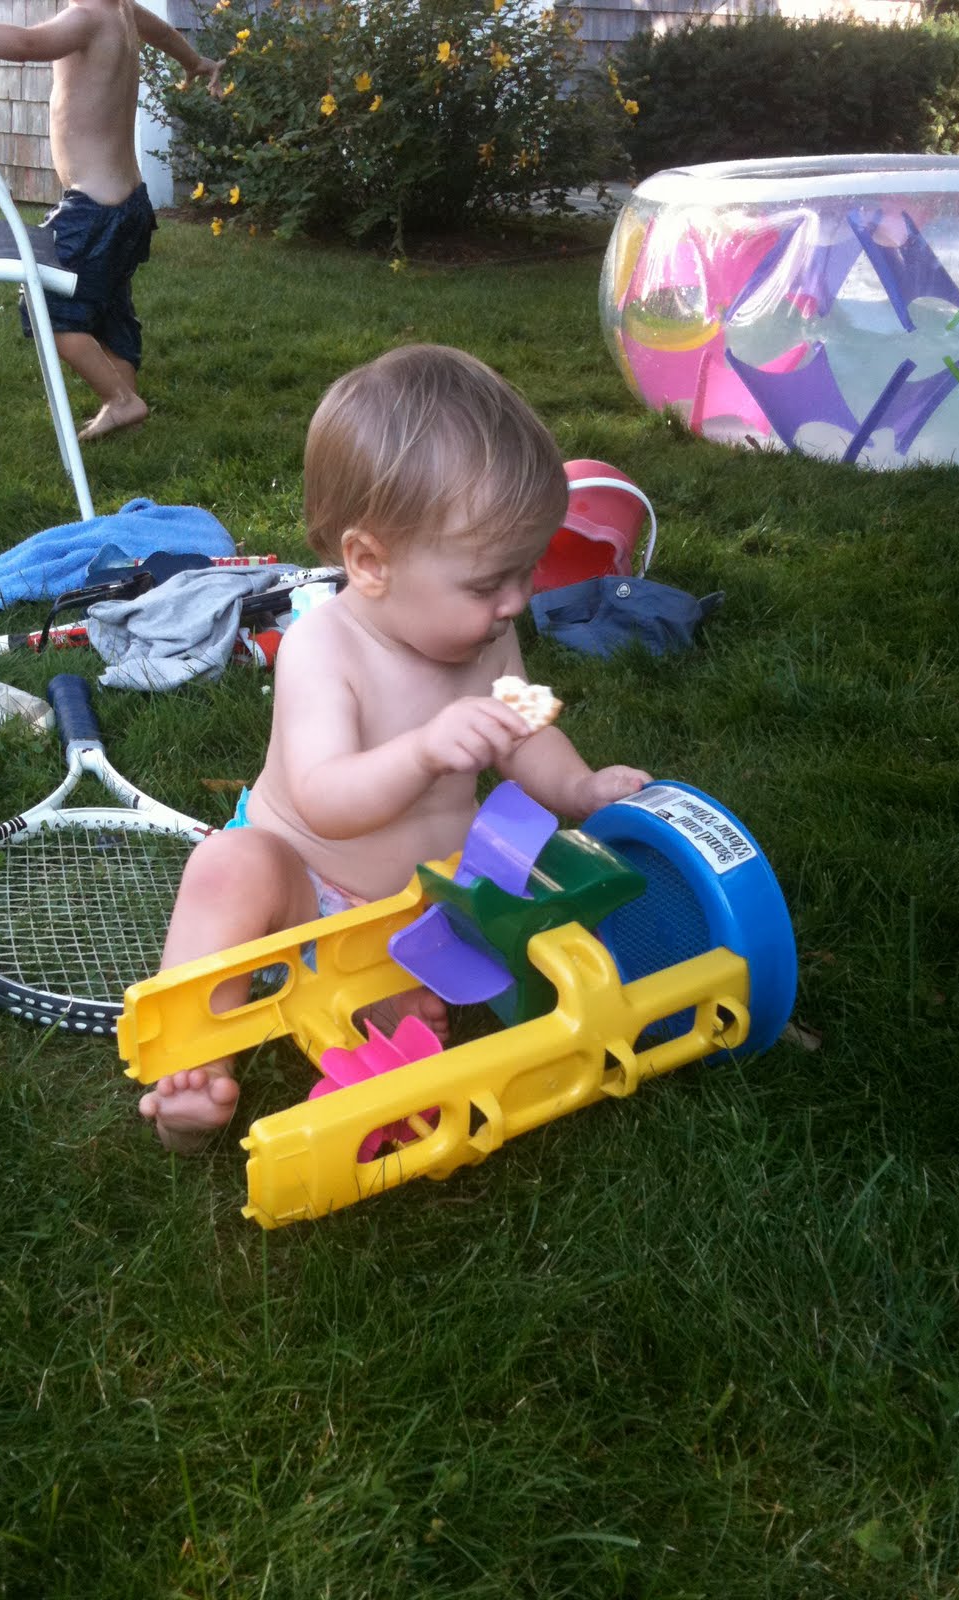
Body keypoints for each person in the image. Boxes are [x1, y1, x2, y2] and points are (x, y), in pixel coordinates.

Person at [139, 343, 653, 1151]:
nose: (517, 602)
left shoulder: (491, 639)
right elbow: (325, 801)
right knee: (228, 866)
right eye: (488, 583)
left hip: (427, 902)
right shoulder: (323, 650)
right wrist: (423, 752)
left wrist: (579, 788)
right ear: (369, 562)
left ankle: (383, 991)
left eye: (525, 572)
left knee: (463, 955)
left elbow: (529, 731)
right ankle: (190, 1072)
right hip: (308, 887)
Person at [0, 0, 223, 441]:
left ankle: (121, 401)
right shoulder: (121, 11)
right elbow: (161, 33)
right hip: (130, 204)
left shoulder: (84, 18)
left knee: (47, 307)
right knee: (109, 305)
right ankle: (126, 406)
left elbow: (26, 44)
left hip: (92, 211)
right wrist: (194, 62)